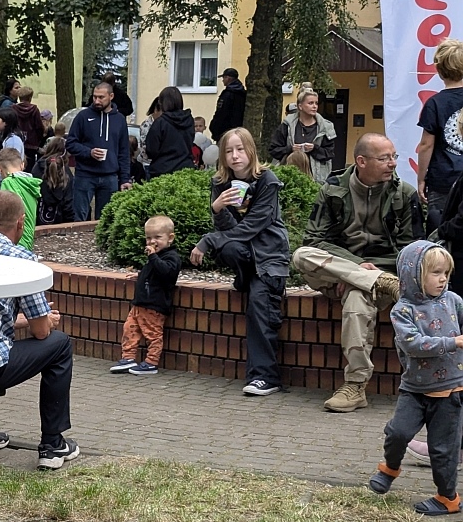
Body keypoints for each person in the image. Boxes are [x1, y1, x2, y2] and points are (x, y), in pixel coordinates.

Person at [291, 133, 416, 412]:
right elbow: (312, 241)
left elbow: (410, 250)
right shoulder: (333, 189)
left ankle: (356, 387)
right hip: (350, 271)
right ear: (361, 161)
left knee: (358, 299)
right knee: (301, 256)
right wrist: (352, 269)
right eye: (384, 158)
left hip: (384, 273)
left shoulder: (403, 194)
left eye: (393, 156)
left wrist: (358, 278)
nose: (393, 163)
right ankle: (371, 281)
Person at [0, 190, 81, 469]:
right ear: (21, 223)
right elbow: (41, 332)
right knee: (59, 344)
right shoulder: (18, 258)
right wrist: (45, 320)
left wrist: (19, 321)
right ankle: (53, 445)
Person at [190, 128, 289, 396]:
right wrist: (218, 209)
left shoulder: (267, 181)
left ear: (251, 151)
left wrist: (209, 240)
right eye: (229, 151)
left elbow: (252, 228)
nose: (235, 156)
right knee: (230, 248)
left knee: (259, 304)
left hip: (269, 258)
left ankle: (265, 377)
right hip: (246, 256)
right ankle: (245, 278)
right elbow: (231, 231)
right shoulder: (221, 182)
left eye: (240, 149)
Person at [368, 241, 463, 516]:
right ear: (413, 274)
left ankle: (448, 498)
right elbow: (413, 344)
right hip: (415, 389)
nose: (443, 278)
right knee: (398, 432)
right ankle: (389, 468)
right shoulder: (403, 310)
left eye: (445, 272)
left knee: (444, 449)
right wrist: (452, 342)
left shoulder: (453, 302)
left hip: (450, 390)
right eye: (435, 272)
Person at [110, 215, 182, 375]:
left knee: (152, 334)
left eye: (157, 237)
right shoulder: (155, 257)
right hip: (140, 304)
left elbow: (166, 272)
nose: (152, 241)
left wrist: (153, 256)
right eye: (148, 238)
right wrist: (141, 275)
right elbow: (153, 271)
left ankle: (151, 362)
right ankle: (128, 357)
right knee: (130, 329)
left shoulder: (171, 257)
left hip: (154, 305)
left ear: (170, 238)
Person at [66, 81, 131, 220]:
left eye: (101, 97)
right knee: (79, 217)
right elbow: (70, 143)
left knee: (106, 219)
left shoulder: (119, 120)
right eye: (95, 97)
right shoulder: (83, 116)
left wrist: (125, 178)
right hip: (85, 174)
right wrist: (88, 152)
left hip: (110, 177)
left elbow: (124, 152)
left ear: (111, 96)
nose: (97, 101)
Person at [415, 38, 463, 217]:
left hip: (443, 179)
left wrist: (421, 179)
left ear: (439, 70)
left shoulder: (434, 103)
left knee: (441, 230)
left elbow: (426, 145)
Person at [268, 88, 337, 183]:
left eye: (316, 103)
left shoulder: (325, 127)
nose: (314, 106)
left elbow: (329, 153)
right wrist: (291, 149)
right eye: (310, 103)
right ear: (300, 106)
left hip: (316, 178)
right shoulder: (287, 125)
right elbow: (273, 150)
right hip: (289, 177)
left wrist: (314, 148)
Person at [143, 86, 196, 178]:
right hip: (185, 167)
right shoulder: (189, 120)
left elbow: (151, 150)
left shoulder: (160, 122)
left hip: (163, 169)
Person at [0, 146, 39, 248]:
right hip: (28, 238)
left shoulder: (8, 182)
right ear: (23, 165)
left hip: (14, 239)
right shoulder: (31, 183)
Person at [35, 135, 75, 226]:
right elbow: (69, 204)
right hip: (60, 221)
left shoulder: (37, 168)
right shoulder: (67, 173)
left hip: (38, 221)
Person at [12, 85, 46, 172]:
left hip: (17, 141)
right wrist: (39, 140)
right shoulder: (34, 110)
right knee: (29, 169)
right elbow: (39, 127)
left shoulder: (13, 109)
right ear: (30, 97)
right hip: (32, 145)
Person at [209, 68, 247, 141]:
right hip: (238, 131)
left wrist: (214, 129)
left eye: (224, 78)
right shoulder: (243, 94)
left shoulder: (227, 94)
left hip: (224, 132)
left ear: (228, 78)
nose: (223, 80)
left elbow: (221, 113)